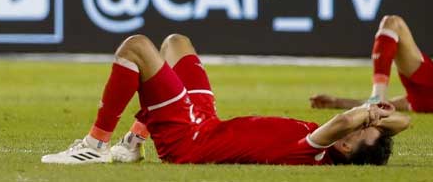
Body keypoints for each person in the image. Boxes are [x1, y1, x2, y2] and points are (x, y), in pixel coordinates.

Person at [42, 33, 410, 165]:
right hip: (207, 124)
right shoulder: (326, 140)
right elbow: (403, 121)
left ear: (345, 146)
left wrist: (367, 113)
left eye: (362, 130)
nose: (364, 122)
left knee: (136, 47)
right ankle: (134, 141)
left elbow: (346, 120)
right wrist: (378, 118)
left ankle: (95, 145)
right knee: (176, 43)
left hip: (189, 140)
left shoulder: (312, 151)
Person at [311, 13, 433, 116]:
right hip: (431, 93)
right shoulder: (425, 98)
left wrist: (340, 102)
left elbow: (404, 103)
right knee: (391, 22)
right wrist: (338, 102)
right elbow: (401, 103)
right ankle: (376, 98)